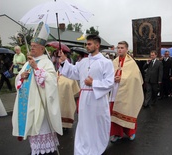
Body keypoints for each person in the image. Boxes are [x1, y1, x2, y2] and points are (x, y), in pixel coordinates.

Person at [12, 22, 63, 155]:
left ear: (41, 48)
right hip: (29, 104)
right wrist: (21, 76)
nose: (31, 48)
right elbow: (19, 80)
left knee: (41, 132)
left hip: (40, 105)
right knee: (33, 136)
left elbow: (51, 81)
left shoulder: (46, 62)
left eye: (34, 46)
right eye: (32, 46)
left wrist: (36, 68)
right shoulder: (28, 62)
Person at [59, 34, 114, 155]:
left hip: (98, 99)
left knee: (97, 124)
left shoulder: (106, 62)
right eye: (86, 44)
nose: (87, 46)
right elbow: (73, 72)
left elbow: (110, 82)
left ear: (97, 45)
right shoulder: (83, 61)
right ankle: (83, 148)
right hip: (84, 98)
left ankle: (98, 146)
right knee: (84, 125)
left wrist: (93, 83)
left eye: (89, 44)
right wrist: (64, 62)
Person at [109, 41, 144, 142]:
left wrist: (122, 79)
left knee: (128, 112)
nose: (119, 49)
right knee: (114, 113)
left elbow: (136, 79)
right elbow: (107, 75)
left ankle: (130, 132)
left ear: (127, 49)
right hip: (115, 91)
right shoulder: (114, 62)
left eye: (122, 47)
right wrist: (112, 78)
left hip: (127, 93)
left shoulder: (131, 63)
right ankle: (117, 134)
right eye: (118, 47)